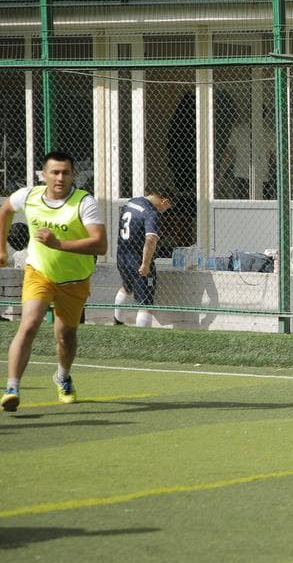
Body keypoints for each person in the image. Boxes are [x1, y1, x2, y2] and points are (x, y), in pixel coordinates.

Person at [0, 151, 108, 410]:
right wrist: (1, 248)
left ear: (73, 175)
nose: (60, 178)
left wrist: (58, 243)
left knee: (65, 336)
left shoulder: (84, 203)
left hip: (75, 280)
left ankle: (63, 376)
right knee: (29, 324)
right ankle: (12, 387)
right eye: (55, 172)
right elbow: (5, 210)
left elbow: (100, 245)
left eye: (65, 173)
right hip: (39, 273)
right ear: (44, 174)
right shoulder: (29, 196)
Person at [113, 186, 173, 328]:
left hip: (122, 254)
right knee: (145, 301)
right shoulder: (152, 213)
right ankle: (143, 334)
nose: (165, 211)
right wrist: (145, 264)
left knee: (127, 286)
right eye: (168, 207)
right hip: (139, 258)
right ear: (164, 201)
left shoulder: (131, 202)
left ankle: (117, 321)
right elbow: (151, 239)